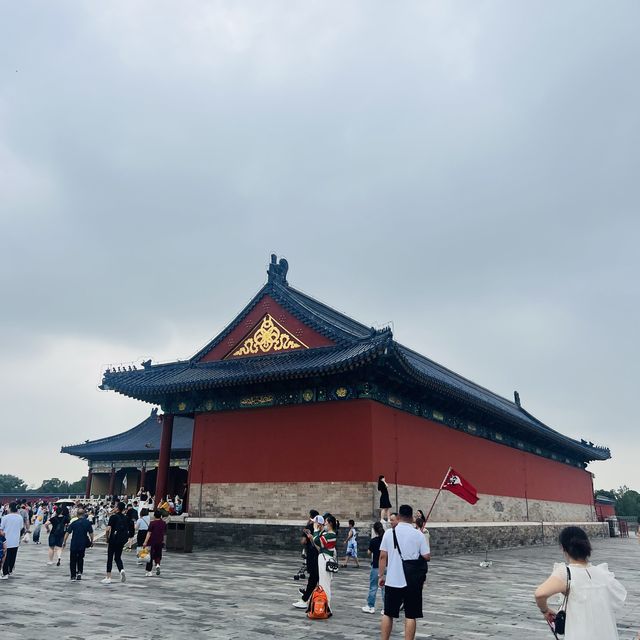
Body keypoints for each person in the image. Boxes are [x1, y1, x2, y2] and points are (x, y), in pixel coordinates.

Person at [534, 526, 627, 639]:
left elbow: (540, 594)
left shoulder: (566, 574)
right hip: (605, 633)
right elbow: (619, 598)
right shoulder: (603, 573)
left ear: (563, 548)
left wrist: (545, 611)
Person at [378, 504, 431, 640]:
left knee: (388, 613)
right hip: (412, 581)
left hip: (393, 580)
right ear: (412, 517)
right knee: (410, 615)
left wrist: (381, 575)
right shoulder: (418, 534)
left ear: (399, 516)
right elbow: (427, 556)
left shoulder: (390, 533)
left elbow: (383, 556)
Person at [292, 509, 320, 609]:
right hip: (320, 557)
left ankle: (306, 599)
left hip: (312, 555)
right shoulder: (321, 529)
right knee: (316, 579)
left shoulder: (309, 527)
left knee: (313, 578)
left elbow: (303, 541)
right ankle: (310, 597)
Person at [311, 514, 338, 607]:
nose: (325, 524)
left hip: (325, 559)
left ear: (330, 523)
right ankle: (324, 605)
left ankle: (326, 606)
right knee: (323, 582)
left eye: (326, 522)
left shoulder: (330, 534)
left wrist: (315, 529)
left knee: (324, 583)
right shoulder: (330, 534)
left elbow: (317, 541)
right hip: (325, 558)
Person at [62, 507, 94, 581]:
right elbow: (91, 533)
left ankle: (73, 576)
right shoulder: (87, 523)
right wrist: (92, 541)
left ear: (77, 514)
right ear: (84, 514)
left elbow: (67, 533)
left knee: (73, 560)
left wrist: (64, 542)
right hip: (82, 543)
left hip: (74, 543)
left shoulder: (74, 523)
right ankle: (79, 572)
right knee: (80, 558)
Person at [102, 501, 130, 584]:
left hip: (113, 539)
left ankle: (108, 577)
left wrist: (107, 538)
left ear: (117, 508)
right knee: (118, 557)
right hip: (121, 540)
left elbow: (108, 529)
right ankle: (121, 570)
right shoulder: (126, 518)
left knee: (110, 557)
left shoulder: (113, 517)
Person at [362, 521, 386, 613]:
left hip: (376, 566)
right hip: (386, 566)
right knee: (384, 588)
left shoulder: (373, 541)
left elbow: (369, 552)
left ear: (375, 531)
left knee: (373, 587)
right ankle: (385, 608)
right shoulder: (386, 540)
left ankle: (370, 606)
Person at [0, 502, 23, 577]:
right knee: (13, 556)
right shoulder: (20, 517)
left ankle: (5, 573)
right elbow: (21, 528)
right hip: (16, 540)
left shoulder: (5, 517)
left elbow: (1, 529)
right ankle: (10, 571)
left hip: (7, 541)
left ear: (10, 508)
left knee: (6, 557)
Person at [142, 509, 167, 576]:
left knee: (149, 556)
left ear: (154, 515)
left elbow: (149, 533)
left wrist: (145, 542)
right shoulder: (163, 523)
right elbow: (164, 534)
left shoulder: (152, 523)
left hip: (152, 541)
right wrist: (164, 541)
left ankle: (149, 571)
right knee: (158, 554)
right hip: (160, 541)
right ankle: (158, 565)